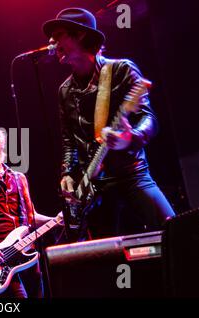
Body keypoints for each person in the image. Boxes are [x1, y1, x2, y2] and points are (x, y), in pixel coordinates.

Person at [42, 8, 175, 239]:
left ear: (80, 35)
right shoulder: (64, 91)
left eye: (59, 34)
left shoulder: (121, 70)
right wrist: (68, 174)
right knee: (101, 260)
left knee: (175, 234)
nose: (51, 41)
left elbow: (149, 118)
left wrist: (130, 137)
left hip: (130, 174)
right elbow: (69, 140)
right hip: (95, 186)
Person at [0, 121, 58, 298]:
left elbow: (31, 218)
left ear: (0, 141)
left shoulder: (19, 178)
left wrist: (58, 219)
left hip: (26, 251)